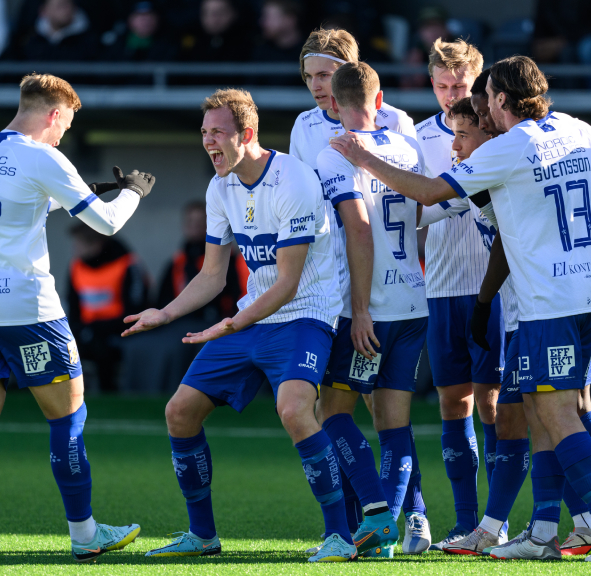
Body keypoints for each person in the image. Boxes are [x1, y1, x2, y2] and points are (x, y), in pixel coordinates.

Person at [330, 55, 591, 562]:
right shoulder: (576, 129)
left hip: (547, 303)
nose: (483, 113)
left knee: (556, 411)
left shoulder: (510, 147)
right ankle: (545, 530)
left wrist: (362, 158)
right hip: (588, 295)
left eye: (487, 101)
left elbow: (432, 191)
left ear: (501, 98)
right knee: (548, 411)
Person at [0, 73, 155, 565]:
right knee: (68, 417)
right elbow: (107, 222)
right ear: (54, 114)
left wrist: (82, 189)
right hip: (27, 309)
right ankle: (84, 533)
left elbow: (21, 200)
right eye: (66, 125)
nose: (64, 136)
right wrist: (133, 192)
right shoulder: (44, 156)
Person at [126, 89, 355, 563]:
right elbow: (213, 275)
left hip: (305, 315)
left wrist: (230, 324)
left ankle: (339, 537)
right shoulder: (219, 187)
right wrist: (166, 313)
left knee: (294, 411)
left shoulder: (294, 179)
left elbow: (289, 284)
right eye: (205, 132)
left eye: (218, 133)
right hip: (252, 317)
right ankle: (203, 535)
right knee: (179, 413)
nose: (209, 142)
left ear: (247, 134)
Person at [289, 27, 431, 555]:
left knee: (338, 414)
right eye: (308, 77)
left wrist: (359, 305)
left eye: (325, 75)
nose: (316, 86)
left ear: (350, 75)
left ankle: (390, 518)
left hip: (363, 297)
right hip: (402, 294)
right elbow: (426, 203)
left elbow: (359, 226)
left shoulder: (365, 137)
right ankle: (382, 527)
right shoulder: (312, 129)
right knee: (391, 419)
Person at [411, 38, 505, 552]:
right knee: (454, 402)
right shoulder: (419, 137)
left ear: (479, 83)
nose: (451, 96)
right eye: (443, 86)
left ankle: (496, 521)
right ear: (431, 84)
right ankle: (465, 521)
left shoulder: (498, 134)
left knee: (493, 402)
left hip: (494, 288)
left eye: (461, 86)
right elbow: (414, 211)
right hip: (442, 285)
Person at [67, 224, 148, 392]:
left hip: (120, 331)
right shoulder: (76, 266)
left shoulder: (127, 264)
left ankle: (109, 392)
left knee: (102, 349)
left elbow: (136, 309)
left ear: (96, 244)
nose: (75, 249)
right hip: (86, 330)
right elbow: (72, 307)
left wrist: (97, 328)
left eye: (79, 244)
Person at [156, 201, 244, 323]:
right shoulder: (177, 263)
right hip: (180, 327)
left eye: (200, 222)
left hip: (221, 323)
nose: (195, 226)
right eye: (190, 221)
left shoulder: (231, 260)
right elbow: (162, 301)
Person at [12, 0, 98, 61]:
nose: (65, 10)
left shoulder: (90, 42)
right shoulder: (29, 41)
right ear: (44, 10)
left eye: (67, 5)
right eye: (60, 6)